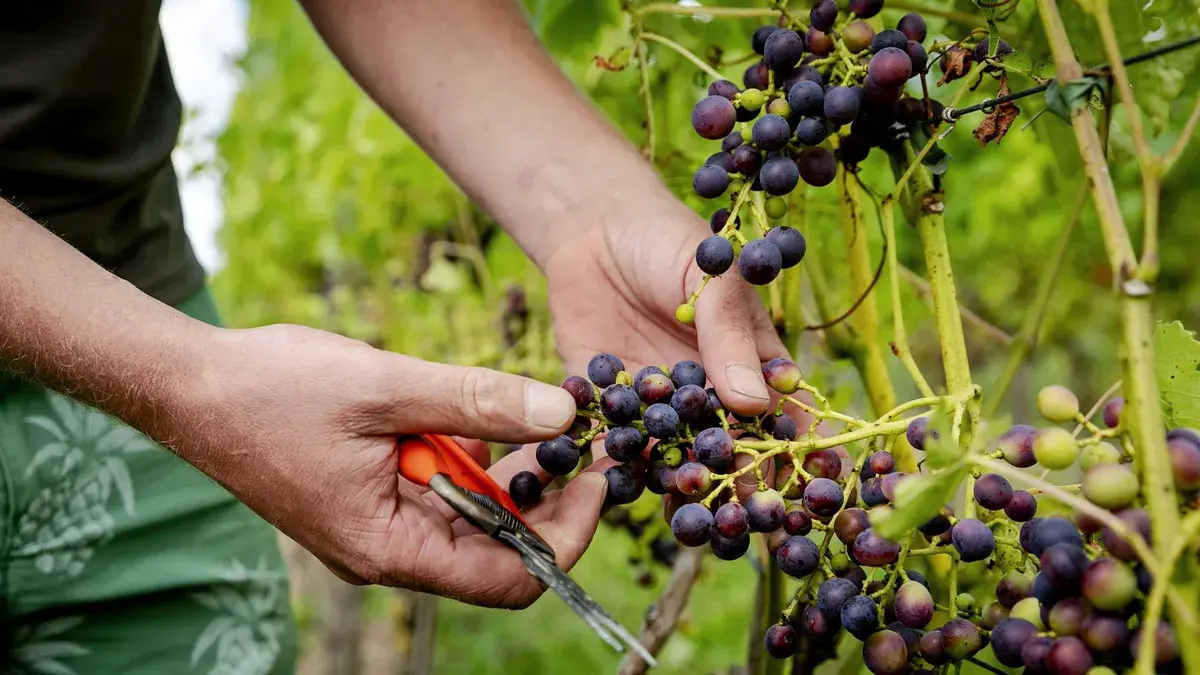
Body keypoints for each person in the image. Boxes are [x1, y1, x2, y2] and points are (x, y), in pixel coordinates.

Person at [0, 1, 791, 673]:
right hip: (163, 368)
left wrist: (590, 216)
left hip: (144, 320)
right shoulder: (193, 385)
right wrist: (186, 386)